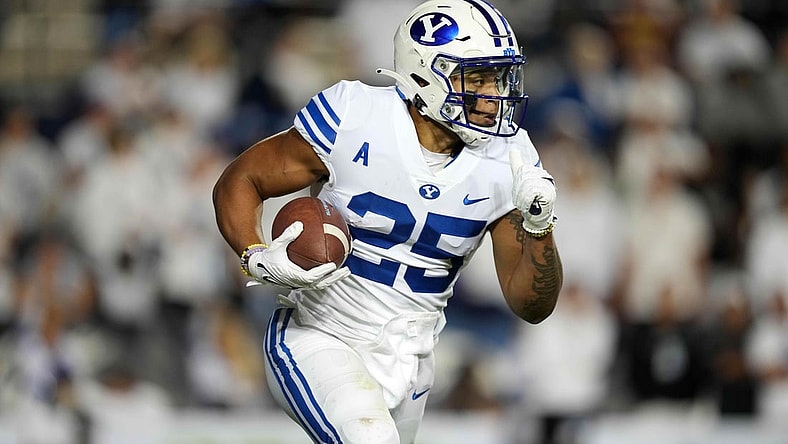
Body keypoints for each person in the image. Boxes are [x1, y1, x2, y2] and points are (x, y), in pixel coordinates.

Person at [212, 1, 563, 442]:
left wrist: (539, 225)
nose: (494, 94)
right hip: (321, 334)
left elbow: (531, 306)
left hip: (412, 360)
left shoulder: (510, 156)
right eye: (477, 78)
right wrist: (254, 252)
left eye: (499, 77)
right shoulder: (355, 115)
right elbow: (242, 179)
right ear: (426, 75)